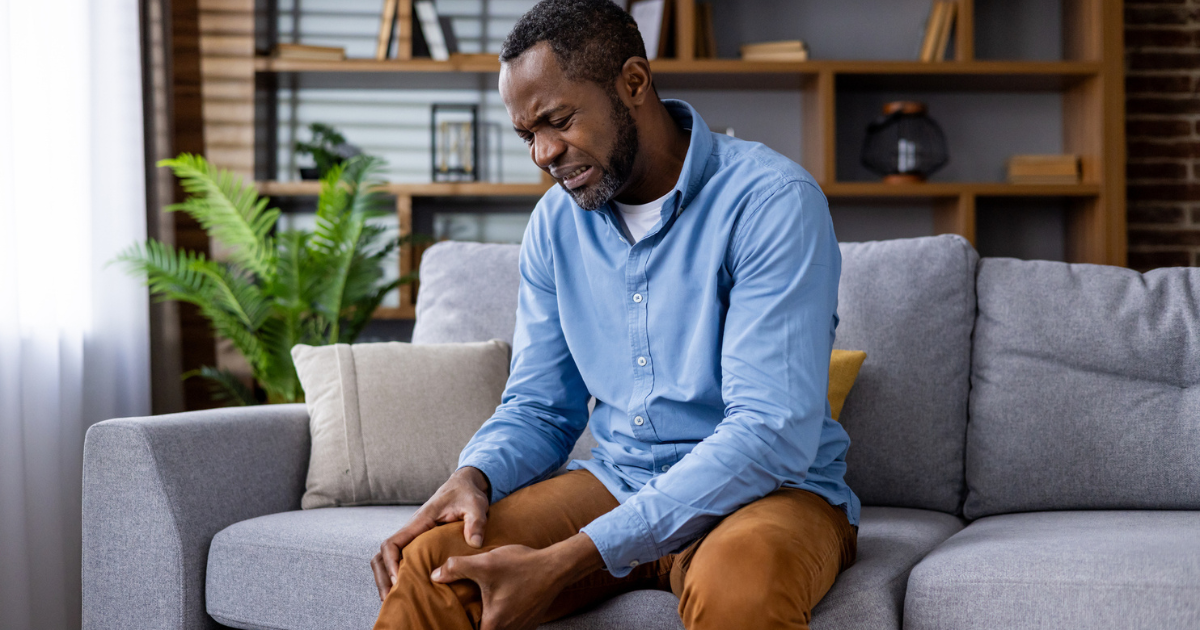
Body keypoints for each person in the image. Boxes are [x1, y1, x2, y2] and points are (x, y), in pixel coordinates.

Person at [369, 1, 858, 628]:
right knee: (438, 566)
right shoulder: (553, 225)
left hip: (769, 494)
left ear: (633, 83)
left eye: (558, 120)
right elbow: (542, 406)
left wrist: (575, 556)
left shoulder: (771, 203)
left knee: (742, 586)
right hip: (620, 479)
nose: (544, 153)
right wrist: (476, 475)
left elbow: (768, 435)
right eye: (527, 135)